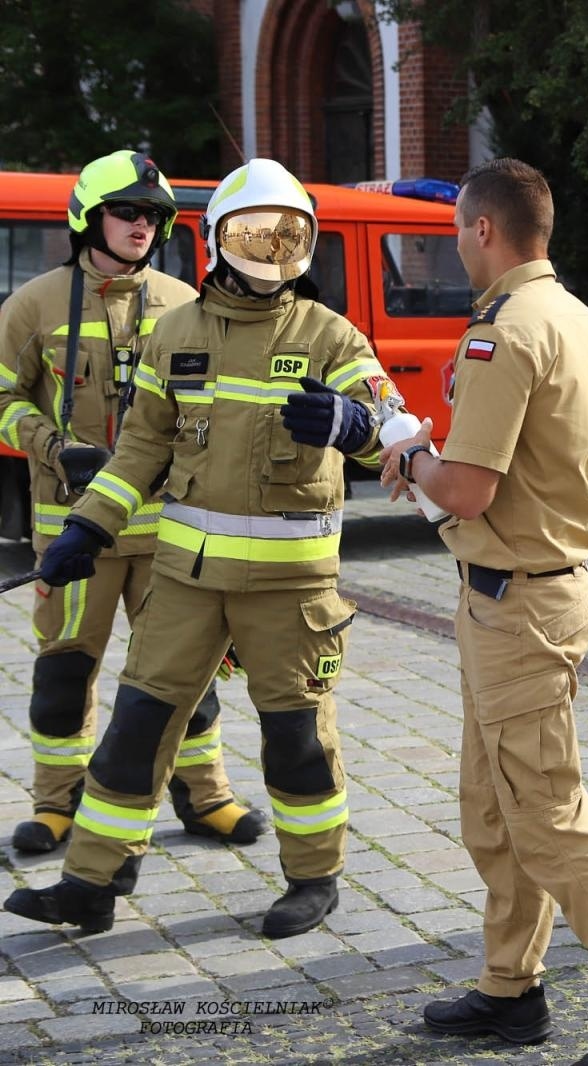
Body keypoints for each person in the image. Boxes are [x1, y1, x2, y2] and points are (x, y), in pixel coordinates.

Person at [4, 157, 387, 938]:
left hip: (291, 588)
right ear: (216, 241)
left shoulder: (329, 333)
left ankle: (314, 878)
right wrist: (87, 528)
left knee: (296, 737)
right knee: (136, 728)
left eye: (288, 236)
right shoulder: (176, 333)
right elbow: (141, 451)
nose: (271, 250)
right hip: (185, 578)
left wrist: (355, 428)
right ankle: (91, 884)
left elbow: (393, 434)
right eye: (254, 234)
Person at [378, 158, 588, 1064]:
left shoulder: (505, 332)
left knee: (548, 814)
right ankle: (510, 990)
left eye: (456, 235)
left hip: (519, 601)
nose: (456, 251)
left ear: (483, 229)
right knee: (494, 804)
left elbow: (469, 490)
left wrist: (407, 458)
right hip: (527, 596)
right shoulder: (581, 321)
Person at [0, 150, 266, 855]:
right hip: (74, 534)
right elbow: (1, 399)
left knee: (189, 674)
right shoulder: (33, 305)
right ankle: (57, 805)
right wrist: (51, 444)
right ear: (89, 217)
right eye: (126, 211)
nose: (141, 225)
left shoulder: (186, 305)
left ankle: (204, 797)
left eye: (153, 215)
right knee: (64, 673)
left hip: (170, 534)